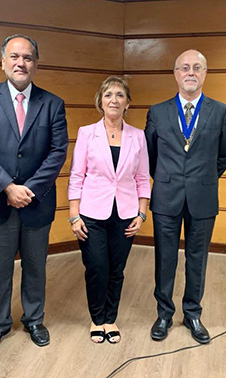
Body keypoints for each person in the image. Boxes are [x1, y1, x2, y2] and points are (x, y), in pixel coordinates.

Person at [0, 34, 68, 351]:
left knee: (36, 265)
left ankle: (34, 320)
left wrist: (29, 189)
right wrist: (8, 187)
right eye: (14, 56)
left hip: (37, 202)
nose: (20, 63)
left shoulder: (52, 103)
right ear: (3, 62)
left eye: (27, 57)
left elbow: (57, 152)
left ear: (35, 64)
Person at [145, 50, 226, 344]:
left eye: (197, 67)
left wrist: (202, 178)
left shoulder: (221, 111)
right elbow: (150, 154)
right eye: (184, 68)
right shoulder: (157, 112)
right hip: (166, 197)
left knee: (198, 258)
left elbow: (224, 155)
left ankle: (193, 313)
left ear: (205, 73)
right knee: (165, 258)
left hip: (203, 197)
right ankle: (164, 314)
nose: (190, 72)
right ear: (176, 74)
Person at [68, 76, 150, 344]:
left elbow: (142, 177)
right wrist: (74, 214)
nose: (114, 100)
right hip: (92, 213)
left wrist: (141, 213)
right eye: (108, 95)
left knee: (117, 268)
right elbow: (77, 175)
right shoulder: (86, 133)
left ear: (127, 103)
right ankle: (96, 318)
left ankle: (110, 319)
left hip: (126, 214)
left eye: (120, 95)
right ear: (100, 101)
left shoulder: (138, 137)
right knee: (96, 267)